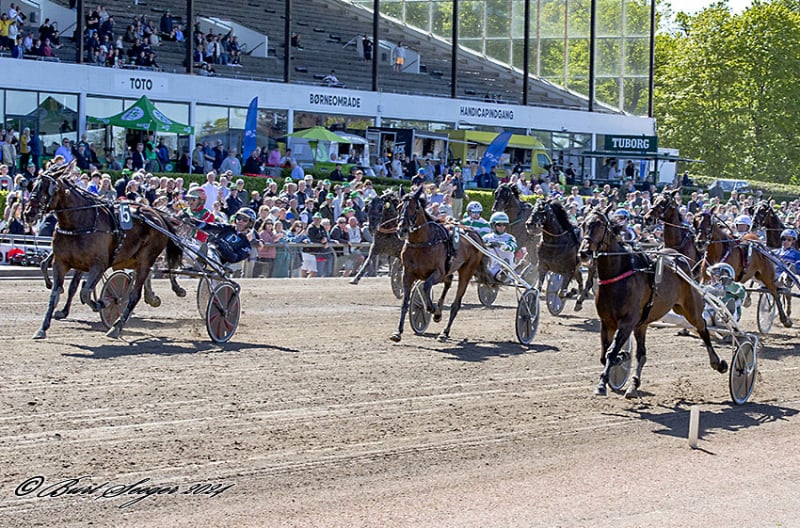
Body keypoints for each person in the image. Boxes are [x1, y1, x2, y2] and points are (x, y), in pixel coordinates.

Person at [483, 212, 518, 284]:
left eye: (504, 225)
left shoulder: (510, 238)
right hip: (489, 267)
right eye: (499, 225)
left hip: (504, 267)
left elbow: (513, 247)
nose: (502, 227)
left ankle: (504, 275)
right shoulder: (486, 238)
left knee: (501, 272)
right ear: (493, 225)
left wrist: (500, 245)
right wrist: (487, 245)